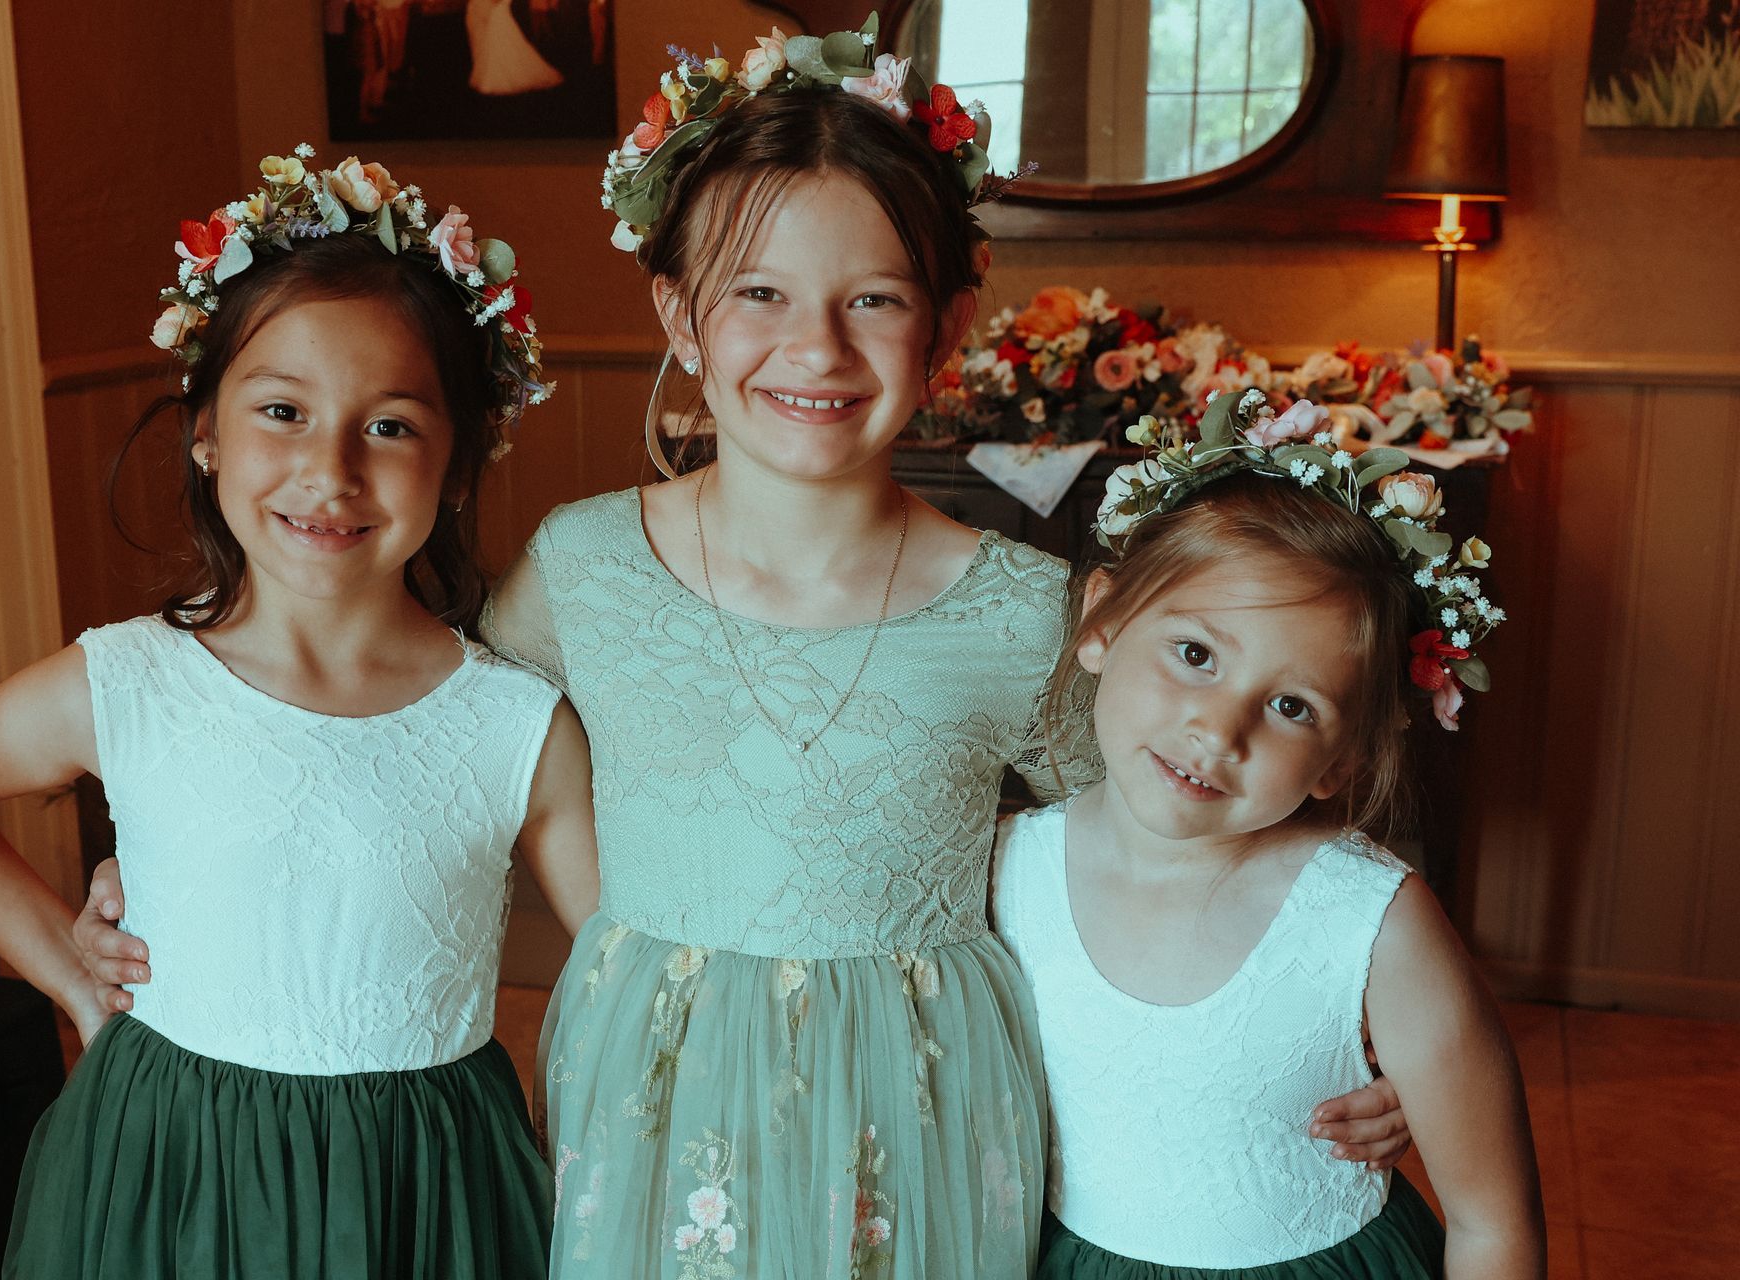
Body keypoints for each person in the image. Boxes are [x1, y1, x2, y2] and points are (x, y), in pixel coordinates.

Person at [72, 19, 1413, 1276]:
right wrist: (191, 873)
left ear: (948, 324)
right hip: (659, 1096)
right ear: (680, 317)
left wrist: (1331, 1012)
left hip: (924, 1100)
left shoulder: (1021, 611)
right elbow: (414, 749)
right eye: (758, 291)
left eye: (874, 300)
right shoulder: (583, 568)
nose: (812, 347)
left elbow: (1164, 842)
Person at [0, 146, 597, 1278]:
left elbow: (624, 956)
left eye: (391, 425)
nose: (330, 468)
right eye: (282, 411)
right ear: (206, 432)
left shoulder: (516, 724)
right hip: (169, 1174)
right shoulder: (126, 683)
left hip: (426, 1192)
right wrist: (65, 961)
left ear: (459, 462)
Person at [994, 392, 1545, 1279]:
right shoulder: (1002, 873)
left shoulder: (1373, 923)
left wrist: (1411, 1095)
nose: (1220, 730)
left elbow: (1493, 1221)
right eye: (1196, 653)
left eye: (1291, 706)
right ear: (1101, 624)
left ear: (1340, 761)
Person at [467, 0, 564, 96]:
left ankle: (499, 76)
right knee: (501, 46)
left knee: (503, 46)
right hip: (497, 14)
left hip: (498, 14)